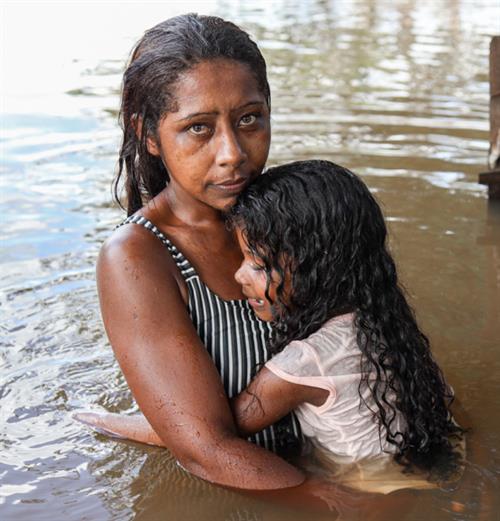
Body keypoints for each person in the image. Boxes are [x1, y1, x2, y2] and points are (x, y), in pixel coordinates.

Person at [84, 160, 464, 492]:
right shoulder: (380, 323)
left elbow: (207, 431)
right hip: (428, 472)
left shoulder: (305, 362)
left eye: (259, 264)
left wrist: (105, 422)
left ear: (318, 269)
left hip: (369, 492)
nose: (238, 275)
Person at [76, 13, 305, 491]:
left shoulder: (299, 215)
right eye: (199, 128)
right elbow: (207, 452)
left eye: (248, 119)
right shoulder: (138, 258)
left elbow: (386, 342)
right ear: (148, 134)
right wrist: (346, 504)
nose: (232, 153)